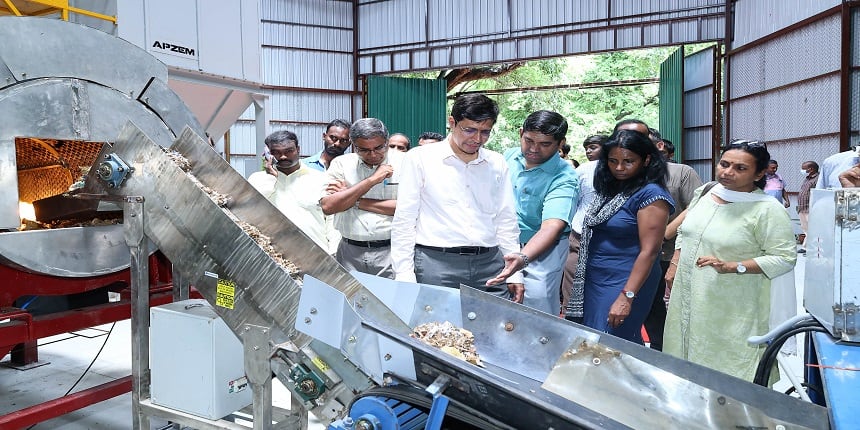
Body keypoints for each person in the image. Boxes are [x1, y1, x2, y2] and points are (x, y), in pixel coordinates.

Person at [663, 140, 796, 382]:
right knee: (685, 352)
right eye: (724, 164)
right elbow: (685, 229)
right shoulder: (706, 193)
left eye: (740, 168)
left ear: (759, 174)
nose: (728, 172)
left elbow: (785, 258)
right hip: (690, 294)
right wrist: (675, 263)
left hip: (735, 303)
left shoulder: (766, 210)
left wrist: (734, 266)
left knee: (728, 363)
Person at [391, 94, 524, 300]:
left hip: (490, 265)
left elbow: (505, 218)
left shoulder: (496, 163)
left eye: (485, 132)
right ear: (452, 122)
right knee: (436, 328)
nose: (477, 139)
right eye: (469, 130)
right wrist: (404, 273)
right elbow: (405, 220)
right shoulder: (420, 158)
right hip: (436, 264)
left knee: (496, 327)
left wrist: (515, 274)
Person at [570, 129, 674, 343]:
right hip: (595, 278)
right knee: (591, 340)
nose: (619, 167)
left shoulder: (652, 194)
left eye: (628, 161)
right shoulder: (611, 189)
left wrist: (627, 296)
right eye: (613, 161)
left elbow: (650, 251)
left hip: (626, 280)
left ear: (646, 160)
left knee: (611, 341)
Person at [612, 124, 704, 352]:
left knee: (663, 314)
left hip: (666, 255)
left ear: (658, 145)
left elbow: (698, 206)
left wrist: (666, 232)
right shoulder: (616, 175)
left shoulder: (680, 173)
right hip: (625, 259)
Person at [499, 110, 579, 315]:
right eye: (529, 140)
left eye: (545, 144)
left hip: (543, 249)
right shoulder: (508, 157)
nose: (534, 149)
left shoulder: (565, 177)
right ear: (520, 133)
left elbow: (552, 226)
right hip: (502, 241)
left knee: (536, 302)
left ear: (560, 143)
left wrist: (523, 257)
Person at [320, 118, 404, 278]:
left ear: (387, 141)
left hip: (392, 251)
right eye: (364, 150)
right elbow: (329, 207)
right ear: (353, 145)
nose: (372, 154)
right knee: (350, 300)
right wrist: (371, 180)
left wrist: (352, 198)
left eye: (379, 148)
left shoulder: (405, 162)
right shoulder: (341, 164)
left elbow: (407, 208)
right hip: (349, 251)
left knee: (391, 302)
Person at [249, 130, 339, 254]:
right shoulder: (258, 179)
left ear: (298, 149)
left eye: (289, 151)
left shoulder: (321, 179)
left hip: (315, 254)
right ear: (268, 154)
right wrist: (272, 176)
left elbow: (332, 221)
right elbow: (252, 210)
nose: (283, 157)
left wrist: (333, 252)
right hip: (270, 254)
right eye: (276, 152)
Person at [561, 134, 607, 321]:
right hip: (579, 236)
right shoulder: (583, 171)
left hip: (608, 241)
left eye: (593, 147)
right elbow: (573, 202)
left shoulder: (626, 172)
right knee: (572, 286)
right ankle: (571, 326)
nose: (588, 151)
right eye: (586, 147)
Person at [795, 161, 819, 251]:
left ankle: (811, 248)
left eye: (804, 168)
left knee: (812, 229)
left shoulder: (818, 179)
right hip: (802, 207)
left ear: (811, 169)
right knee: (805, 229)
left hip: (810, 208)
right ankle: (806, 247)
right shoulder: (807, 178)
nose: (802, 170)